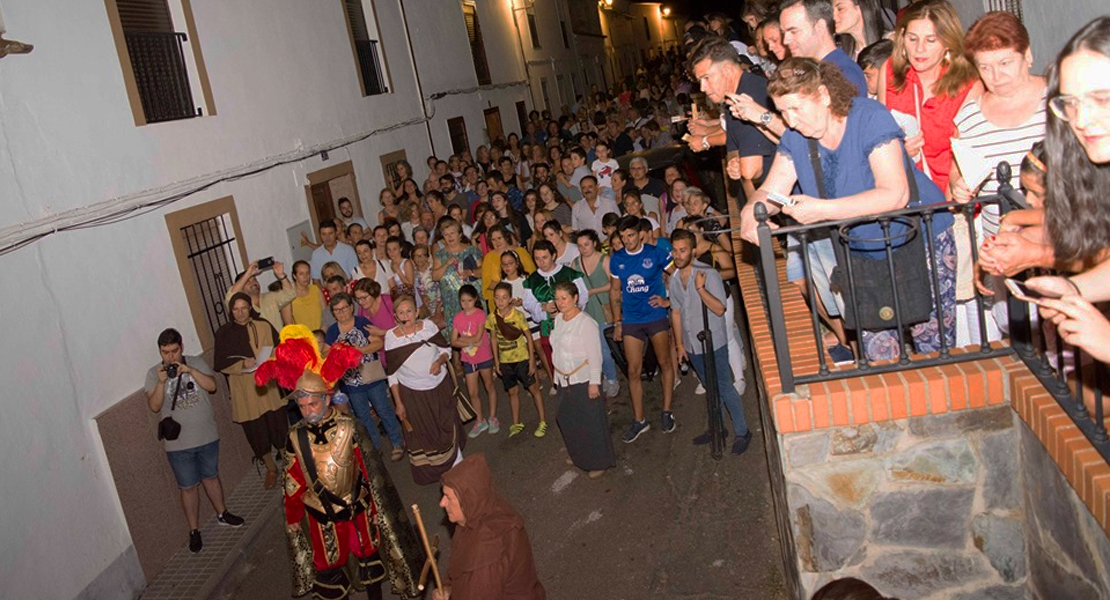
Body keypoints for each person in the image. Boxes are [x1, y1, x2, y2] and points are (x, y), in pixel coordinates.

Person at [739, 57, 956, 363]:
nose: (790, 120)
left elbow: (895, 194)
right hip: (863, 249)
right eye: (782, 111)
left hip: (918, 238)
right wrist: (750, 212)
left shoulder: (868, 117)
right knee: (879, 353)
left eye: (796, 108)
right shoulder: (795, 138)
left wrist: (824, 210)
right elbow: (770, 191)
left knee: (932, 345)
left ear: (825, 95)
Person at [950, 11, 1046, 343]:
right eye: (986, 67)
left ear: (1028, 55)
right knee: (1021, 337)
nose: (996, 75)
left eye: (1005, 63)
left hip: (1058, 244)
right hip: (1002, 251)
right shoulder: (971, 116)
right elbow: (958, 174)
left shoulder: (1057, 103)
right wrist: (958, 187)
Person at [145, 328, 244, 554]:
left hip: (206, 436)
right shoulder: (153, 373)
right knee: (188, 487)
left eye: (174, 351)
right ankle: (194, 530)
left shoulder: (195, 363)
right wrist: (161, 383)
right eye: (165, 352)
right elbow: (154, 406)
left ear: (182, 347)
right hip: (178, 444)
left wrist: (188, 370)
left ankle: (222, 513)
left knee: (211, 477)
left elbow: (212, 386)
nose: (170, 356)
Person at [879, 0, 977, 195]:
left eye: (930, 40)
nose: (919, 49)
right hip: (902, 198)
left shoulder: (968, 85)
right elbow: (878, 138)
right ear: (902, 38)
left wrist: (951, 207)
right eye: (912, 39)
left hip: (948, 200)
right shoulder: (890, 72)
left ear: (948, 43)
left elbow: (965, 159)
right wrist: (898, 153)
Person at [669, 230, 752, 455]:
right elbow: (675, 313)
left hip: (713, 341)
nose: (678, 255)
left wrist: (700, 289)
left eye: (683, 250)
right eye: (675, 250)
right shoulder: (674, 279)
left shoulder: (708, 273)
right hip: (692, 344)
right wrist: (679, 346)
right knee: (710, 387)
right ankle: (718, 427)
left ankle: (743, 431)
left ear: (693, 251)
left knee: (724, 386)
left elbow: (719, 308)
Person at [432, 454, 546, 600]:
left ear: (468, 500)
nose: (442, 503)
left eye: (448, 497)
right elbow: (458, 570)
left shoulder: (485, 555)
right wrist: (448, 588)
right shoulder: (486, 510)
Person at [384, 295, 466, 485]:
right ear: (396, 316)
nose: (406, 315)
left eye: (409, 310)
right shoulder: (391, 337)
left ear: (417, 312)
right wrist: (398, 403)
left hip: (439, 387)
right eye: (401, 312)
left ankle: (458, 463)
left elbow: (445, 350)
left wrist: (439, 361)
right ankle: (438, 472)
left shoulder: (428, 327)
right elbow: (392, 374)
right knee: (427, 432)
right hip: (413, 394)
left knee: (447, 422)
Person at [610, 215, 676, 442]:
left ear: (640, 234)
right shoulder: (617, 259)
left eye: (630, 235)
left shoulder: (655, 253)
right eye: (622, 236)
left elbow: (676, 275)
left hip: (655, 315)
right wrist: (617, 321)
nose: (627, 240)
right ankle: (640, 421)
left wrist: (669, 301)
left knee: (665, 362)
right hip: (631, 320)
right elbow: (614, 291)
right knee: (633, 371)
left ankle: (667, 411)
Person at [213, 293, 288, 489]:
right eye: (235, 309)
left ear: (250, 308)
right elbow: (220, 363)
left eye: (243, 308)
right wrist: (241, 364)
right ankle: (271, 468)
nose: (240, 313)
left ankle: (290, 465)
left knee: (278, 424)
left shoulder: (262, 324)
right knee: (256, 431)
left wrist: (272, 358)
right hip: (244, 389)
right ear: (231, 311)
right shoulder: (224, 333)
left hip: (267, 385)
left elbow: (278, 346)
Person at [690, 36, 779, 202]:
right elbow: (733, 147)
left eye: (707, 78)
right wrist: (735, 162)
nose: (702, 88)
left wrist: (755, 216)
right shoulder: (731, 99)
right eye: (700, 81)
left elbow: (751, 170)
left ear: (728, 70)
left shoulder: (749, 96)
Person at [327, 292, 405, 461]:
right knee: (363, 417)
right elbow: (327, 353)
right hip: (351, 382)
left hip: (372, 375)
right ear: (333, 313)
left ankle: (397, 442)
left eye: (344, 308)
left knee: (383, 409)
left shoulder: (362, 323)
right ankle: (375, 448)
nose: (342, 313)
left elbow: (378, 343)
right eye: (337, 310)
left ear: (351, 307)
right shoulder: (333, 331)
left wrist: (358, 351)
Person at [549, 282, 616, 479]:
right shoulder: (559, 319)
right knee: (569, 420)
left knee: (591, 422)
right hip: (564, 379)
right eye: (557, 298)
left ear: (575, 298)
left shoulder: (586, 323)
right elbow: (557, 350)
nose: (560, 302)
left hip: (583, 379)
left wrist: (594, 382)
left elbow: (595, 355)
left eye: (564, 298)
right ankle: (579, 456)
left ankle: (599, 461)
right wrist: (556, 378)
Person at [523, 241, 589, 403]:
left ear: (553, 255)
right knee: (554, 358)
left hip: (571, 326)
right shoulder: (532, 280)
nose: (541, 262)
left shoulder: (569, 274)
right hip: (548, 327)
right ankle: (564, 391)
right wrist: (542, 308)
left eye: (545, 257)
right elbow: (528, 304)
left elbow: (583, 295)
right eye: (537, 258)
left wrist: (568, 309)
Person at [486, 282, 548, 438]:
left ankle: (542, 421)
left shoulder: (518, 316)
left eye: (504, 298)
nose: (500, 301)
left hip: (522, 359)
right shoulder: (492, 318)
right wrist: (496, 361)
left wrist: (532, 361)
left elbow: (528, 336)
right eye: (497, 298)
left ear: (510, 299)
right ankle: (516, 423)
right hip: (506, 361)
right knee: (512, 392)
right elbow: (493, 339)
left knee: (533, 389)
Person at [779, 0, 869, 97]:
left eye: (793, 32)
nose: (785, 41)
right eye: (783, 33)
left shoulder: (844, 74)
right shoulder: (809, 70)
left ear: (820, 27)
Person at [572, 230, 620, 397]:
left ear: (594, 243)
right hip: (587, 309)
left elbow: (614, 284)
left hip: (604, 307)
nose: (583, 248)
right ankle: (602, 377)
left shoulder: (604, 259)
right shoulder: (575, 263)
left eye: (586, 244)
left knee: (604, 348)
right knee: (592, 349)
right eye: (580, 246)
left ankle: (611, 378)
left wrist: (593, 291)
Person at [451, 285, 499, 438]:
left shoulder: (480, 314)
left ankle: (492, 417)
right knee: (472, 392)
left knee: (489, 385)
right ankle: (480, 420)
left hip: (484, 356)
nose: (466, 304)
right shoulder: (458, 318)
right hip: (468, 359)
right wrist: (470, 343)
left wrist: (462, 340)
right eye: (463, 301)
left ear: (475, 299)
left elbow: (479, 338)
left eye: (469, 300)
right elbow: (453, 341)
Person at [434, 219, 483, 337]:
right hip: (451, 304)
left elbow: (483, 271)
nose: (449, 237)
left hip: (471, 301)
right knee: (456, 337)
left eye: (452, 233)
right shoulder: (440, 254)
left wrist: (470, 272)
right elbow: (435, 276)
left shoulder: (472, 250)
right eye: (446, 234)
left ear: (460, 234)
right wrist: (446, 264)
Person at [225, 260, 295, 331]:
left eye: (254, 279)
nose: (253, 283)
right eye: (248, 281)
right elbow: (230, 296)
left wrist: (281, 276)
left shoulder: (270, 297)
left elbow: (290, 294)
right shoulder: (241, 307)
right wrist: (248, 273)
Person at [480, 225, 535, 306]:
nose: (497, 242)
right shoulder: (489, 257)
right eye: (493, 240)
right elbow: (487, 283)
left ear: (506, 237)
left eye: (499, 238)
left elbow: (532, 276)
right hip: (499, 302)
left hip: (523, 297)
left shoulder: (521, 252)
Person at [286, 260, 327, 332]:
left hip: (321, 335)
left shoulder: (316, 289)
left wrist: (322, 333)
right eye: (301, 274)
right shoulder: (289, 295)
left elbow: (326, 314)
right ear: (294, 276)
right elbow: (289, 324)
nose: (305, 277)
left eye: (307, 273)